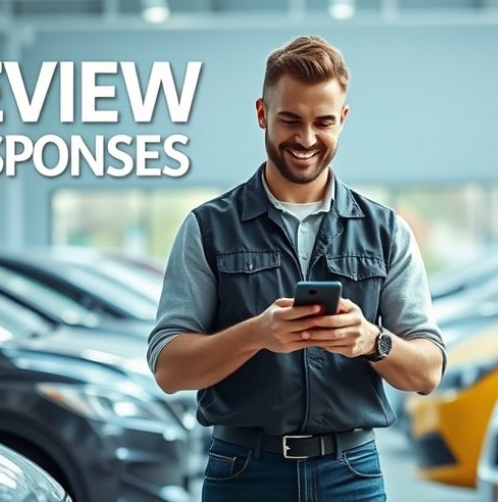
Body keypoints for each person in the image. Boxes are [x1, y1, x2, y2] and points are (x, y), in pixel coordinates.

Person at [147, 35, 445, 502]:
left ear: (342, 120)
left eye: (323, 122)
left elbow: (427, 372)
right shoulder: (207, 228)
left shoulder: (387, 231)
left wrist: (372, 341)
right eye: (290, 120)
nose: (306, 139)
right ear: (262, 113)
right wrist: (256, 334)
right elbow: (168, 368)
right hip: (243, 474)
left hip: (352, 476)